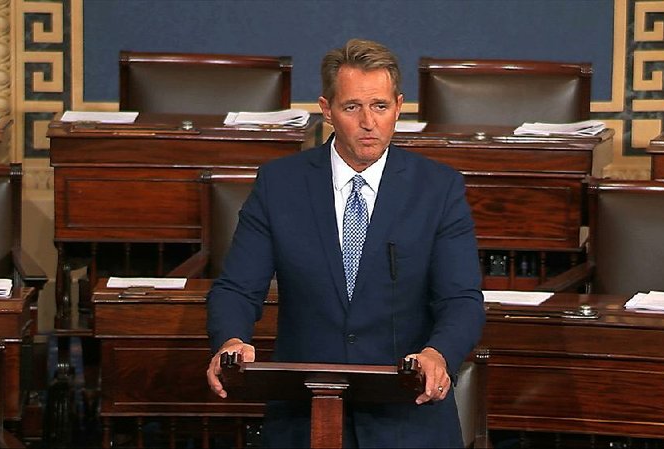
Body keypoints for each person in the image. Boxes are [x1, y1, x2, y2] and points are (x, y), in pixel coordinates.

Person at [206, 38, 485, 448]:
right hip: (305, 414)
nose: (368, 123)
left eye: (380, 106)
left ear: (398, 107)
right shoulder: (280, 184)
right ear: (327, 110)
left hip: (407, 414)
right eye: (353, 107)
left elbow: (461, 298)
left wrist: (438, 354)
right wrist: (231, 340)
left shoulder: (438, 189)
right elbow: (236, 288)